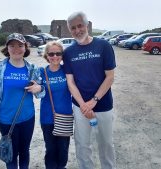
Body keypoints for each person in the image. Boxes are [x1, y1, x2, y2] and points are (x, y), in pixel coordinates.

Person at [63, 11, 117, 169]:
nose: (77, 30)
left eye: (80, 25)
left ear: (86, 25)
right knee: (82, 145)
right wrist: (83, 105)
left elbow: (110, 77)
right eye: (73, 28)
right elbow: (70, 82)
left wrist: (93, 102)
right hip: (80, 108)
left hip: (103, 105)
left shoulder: (104, 46)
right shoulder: (68, 52)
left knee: (106, 144)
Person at [0, 33, 45, 169]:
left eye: (20, 45)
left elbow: (41, 93)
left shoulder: (32, 69)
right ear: (7, 48)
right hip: (6, 120)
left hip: (27, 119)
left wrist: (39, 88)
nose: (16, 48)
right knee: (10, 155)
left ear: (25, 47)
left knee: (24, 151)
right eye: (12, 45)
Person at [39, 41, 73, 169]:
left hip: (65, 116)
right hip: (47, 118)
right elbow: (36, 91)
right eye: (51, 54)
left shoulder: (67, 71)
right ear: (46, 55)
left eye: (58, 53)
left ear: (62, 55)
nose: (55, 56)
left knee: (63, 149)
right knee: (51, 150)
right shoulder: (41, 72)